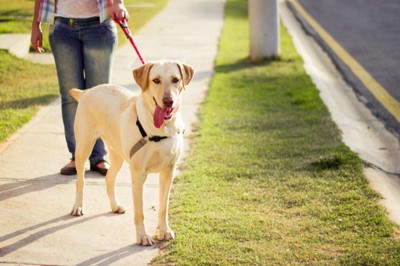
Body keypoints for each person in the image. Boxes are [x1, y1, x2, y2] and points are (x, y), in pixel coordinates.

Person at [31, 0, 129, 176]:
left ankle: (98, 156)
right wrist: (35, 25)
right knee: (70, 96)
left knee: (101, 98)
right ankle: (77, 156)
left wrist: (119, 3)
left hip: (98, 25)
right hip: (62, 27)